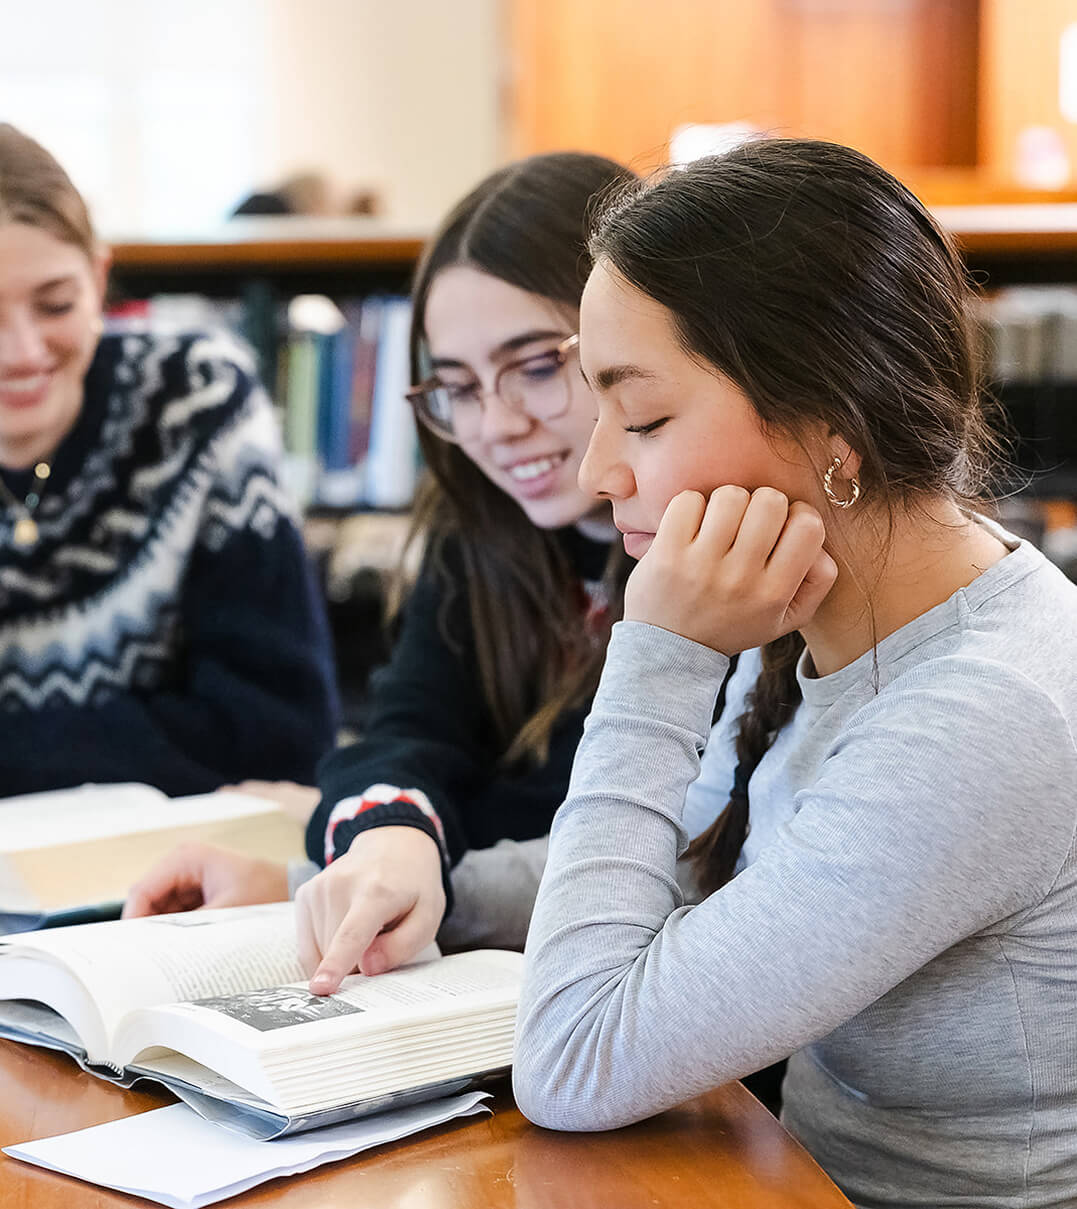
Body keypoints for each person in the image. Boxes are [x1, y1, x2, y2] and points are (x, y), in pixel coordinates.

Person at [513, 138, 1077, 1208]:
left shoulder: (979, 715)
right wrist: (413, 874)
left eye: (644, 418)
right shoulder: (814, 612)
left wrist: (661, 660)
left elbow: (575, 1059)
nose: (598, 471)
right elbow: (680, 857)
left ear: (833, 426)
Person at [125, 152, 638, 983]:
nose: (494, 426)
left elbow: (630, 834)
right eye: (456, 386)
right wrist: (391, 834)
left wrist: (389, 845)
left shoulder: (709, 548)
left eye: (538, 366)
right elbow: (406, 733)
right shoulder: (479, 528)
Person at [0, 124, 338, 795]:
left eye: (56, 304)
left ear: (99, 279)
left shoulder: (197, 399)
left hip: (176, 851)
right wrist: (144, 738)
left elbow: (281, 731)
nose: (22, 351)